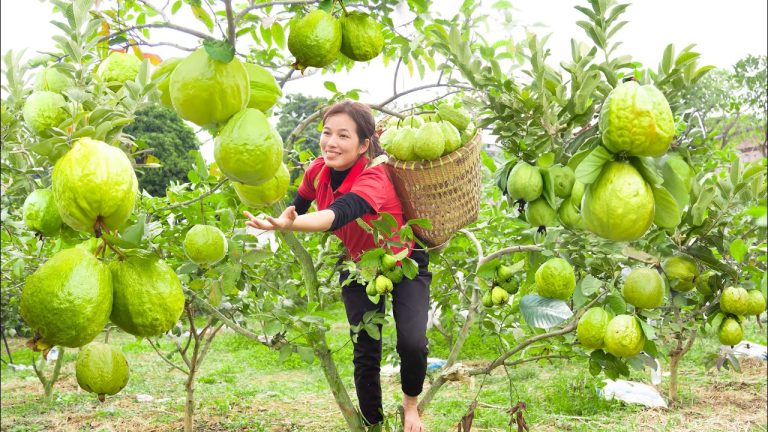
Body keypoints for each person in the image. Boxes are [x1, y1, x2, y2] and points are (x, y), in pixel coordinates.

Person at [243, 101, 431, 431]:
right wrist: (283, 217)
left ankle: (411, 405)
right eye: (327, 132)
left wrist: (288, 225)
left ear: (363, 144)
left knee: (412, 343)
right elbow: (298, 206)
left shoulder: (376, 177)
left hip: (404, 262)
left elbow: (338, 214)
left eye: (343, 135)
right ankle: (373, 424)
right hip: (360, 267)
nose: (331, 142)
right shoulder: (317, 170)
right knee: (365, 351)